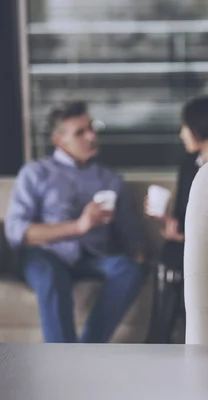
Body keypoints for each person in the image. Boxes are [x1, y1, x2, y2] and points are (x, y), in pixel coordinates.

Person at [4, 100, 147, 343]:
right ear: (58, 140)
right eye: (80, 132)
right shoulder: (36, 173)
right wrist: (79, 226)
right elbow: (16, 231)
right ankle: (64, 357)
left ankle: (85, 350)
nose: (91, 136)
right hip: (45, 255)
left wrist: (140, 252)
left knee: (128, 269)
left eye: (91, 128)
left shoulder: (110, 180)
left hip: (92, 257)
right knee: (50, 276)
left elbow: (131, 235)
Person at [145, 95, 208, 343]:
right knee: (169, 256)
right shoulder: (189, 164)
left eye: (185, 127)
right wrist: (167, 221)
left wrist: (185, 236)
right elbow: (184, 216)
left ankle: (165, 340)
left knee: (177, 258)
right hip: (191, 243)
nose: (182, 134)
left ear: (201, 128)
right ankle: (160, 338)